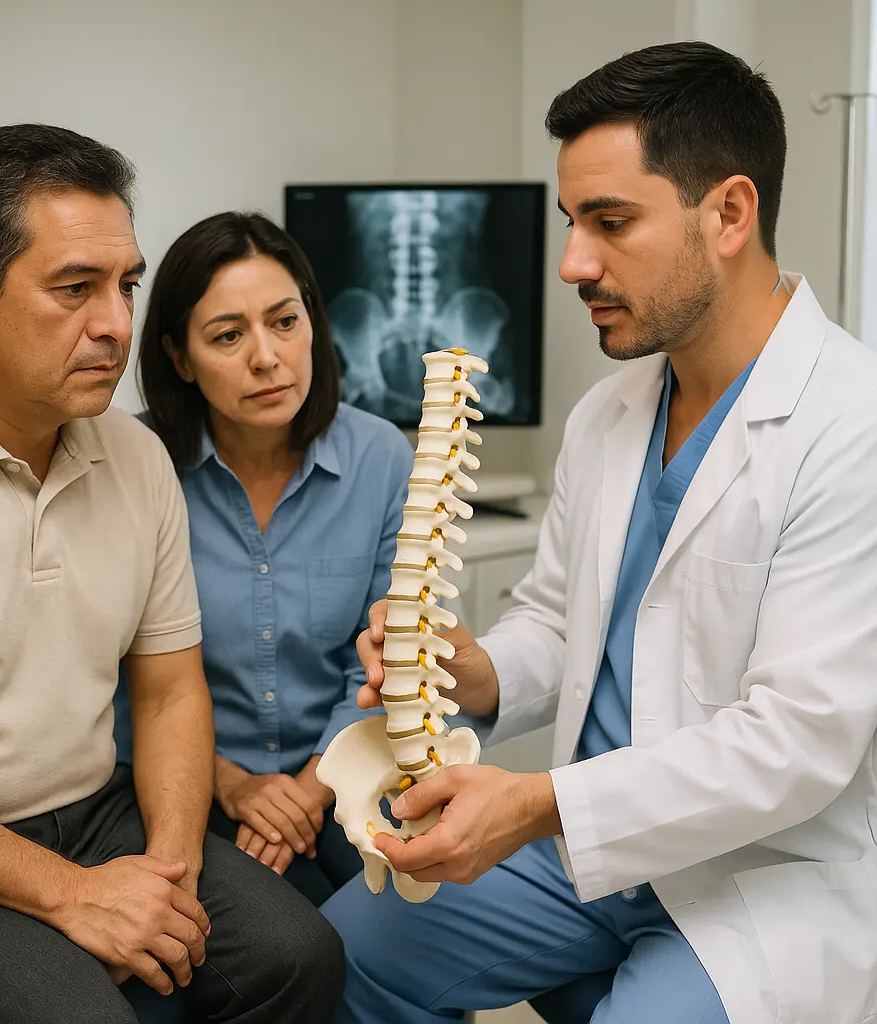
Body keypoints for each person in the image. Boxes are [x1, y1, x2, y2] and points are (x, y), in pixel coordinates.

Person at [322, 41, 877, 1024]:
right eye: (572, 223)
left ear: (731, 213)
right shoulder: (609, 412)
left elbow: (796, 741)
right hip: (588, 853)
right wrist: (474, 668)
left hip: (756, 877)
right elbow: (558, 617)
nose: (574, 262)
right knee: (340, 956)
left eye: (611, 223)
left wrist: (535, 803)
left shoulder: (851, 427)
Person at [0, 124, 343, 1024]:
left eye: (126, 285)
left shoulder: (135, 457)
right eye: (76, 289)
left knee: (297, 953)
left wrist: (171, 867)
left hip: (96, 808)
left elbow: (167, 694)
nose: (116, 324)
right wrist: (69, 895)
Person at [113, 211, 415, 908]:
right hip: (182, 785)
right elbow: (107, 676)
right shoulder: (130, 465)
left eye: (284, 322)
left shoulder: (381, 458)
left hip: (351, 769)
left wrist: (308, 792)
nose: (267, 357)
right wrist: (228, 782)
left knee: (425, 917)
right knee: (295, 935)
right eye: (227, 335)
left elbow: (386, 660)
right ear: (180, 358)